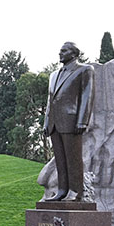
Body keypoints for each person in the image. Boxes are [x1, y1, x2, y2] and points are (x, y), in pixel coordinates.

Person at [43, 41, 94, 201]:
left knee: (73, 159)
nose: (60, 53)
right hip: (54, 123)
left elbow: (87, 96)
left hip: (71, 121)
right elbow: (50, 101)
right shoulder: (53, 75)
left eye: (64, 51)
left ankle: (75, 192)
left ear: (74, 53)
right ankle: (62, 190)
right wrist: (46, 122)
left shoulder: (84, 70)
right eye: (60, 51)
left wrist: (82, 120)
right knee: (60, 159)